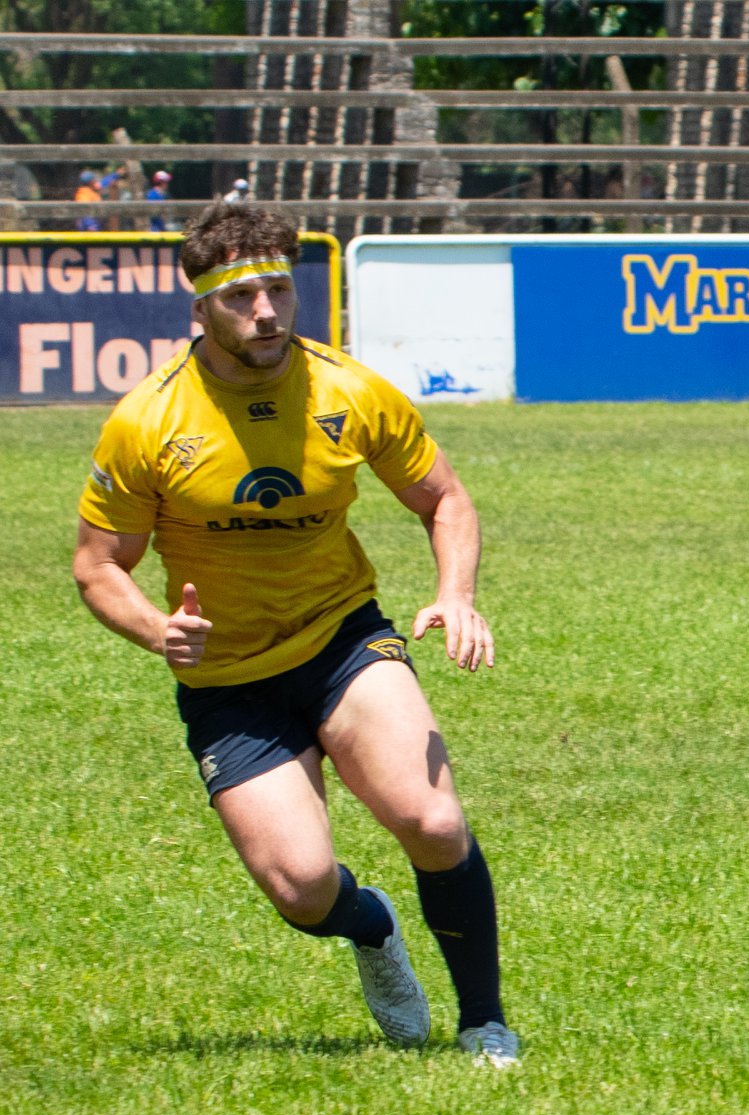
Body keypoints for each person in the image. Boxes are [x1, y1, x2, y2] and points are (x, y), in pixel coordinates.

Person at [72, 202, 520, 1068]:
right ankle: (371, 924)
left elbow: (444, 498)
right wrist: (157, 629)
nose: (268, 312)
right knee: (302, 889)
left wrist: (454, 593)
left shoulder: (348, 389)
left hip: (340, 640)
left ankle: (484, 1022)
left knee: (431, 818)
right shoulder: (146, 422)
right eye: (242, 297)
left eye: (279, 288)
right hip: (228, 679)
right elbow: (99, 565)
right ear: (198, 308)